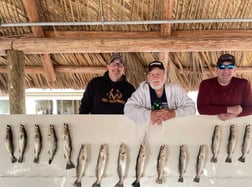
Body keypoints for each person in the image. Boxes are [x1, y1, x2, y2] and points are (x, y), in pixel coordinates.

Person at [124, 60, 196, 125]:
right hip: (149, 134)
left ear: (164, 76)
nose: (155, 77)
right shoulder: (142, 91)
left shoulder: (175, 89)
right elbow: (128, 108)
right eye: (152, 74)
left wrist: (174, 114)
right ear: (148, 77)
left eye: (158, 74)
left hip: (172, 133)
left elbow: (191, 108)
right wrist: (150, 115)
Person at [197, 53, 252, 121]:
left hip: (237, 126)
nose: (226, 70)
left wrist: (233, 115)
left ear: (234, 70)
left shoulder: (243, 84)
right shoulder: (206, 85)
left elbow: (250, 108)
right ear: (216, 70)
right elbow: (202, 109)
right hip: (211, 126)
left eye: (230, 67)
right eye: (222, 67)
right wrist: (229, 109)